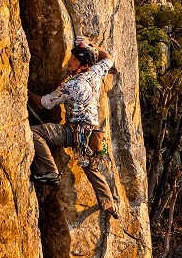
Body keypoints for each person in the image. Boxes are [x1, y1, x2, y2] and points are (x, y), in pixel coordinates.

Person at [28, 36, 118, 219]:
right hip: (92, 136)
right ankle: (109, 205)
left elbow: (43, 103)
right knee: (92, 168)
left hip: (73, 133)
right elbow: (108, 58)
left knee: (35, 132)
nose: (70, 62)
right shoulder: (95, 73)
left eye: (75, 60)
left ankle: (49, 172)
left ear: (84, 66)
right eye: (72, 57)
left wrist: (22, 89)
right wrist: (91, 47)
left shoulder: (72, 86)